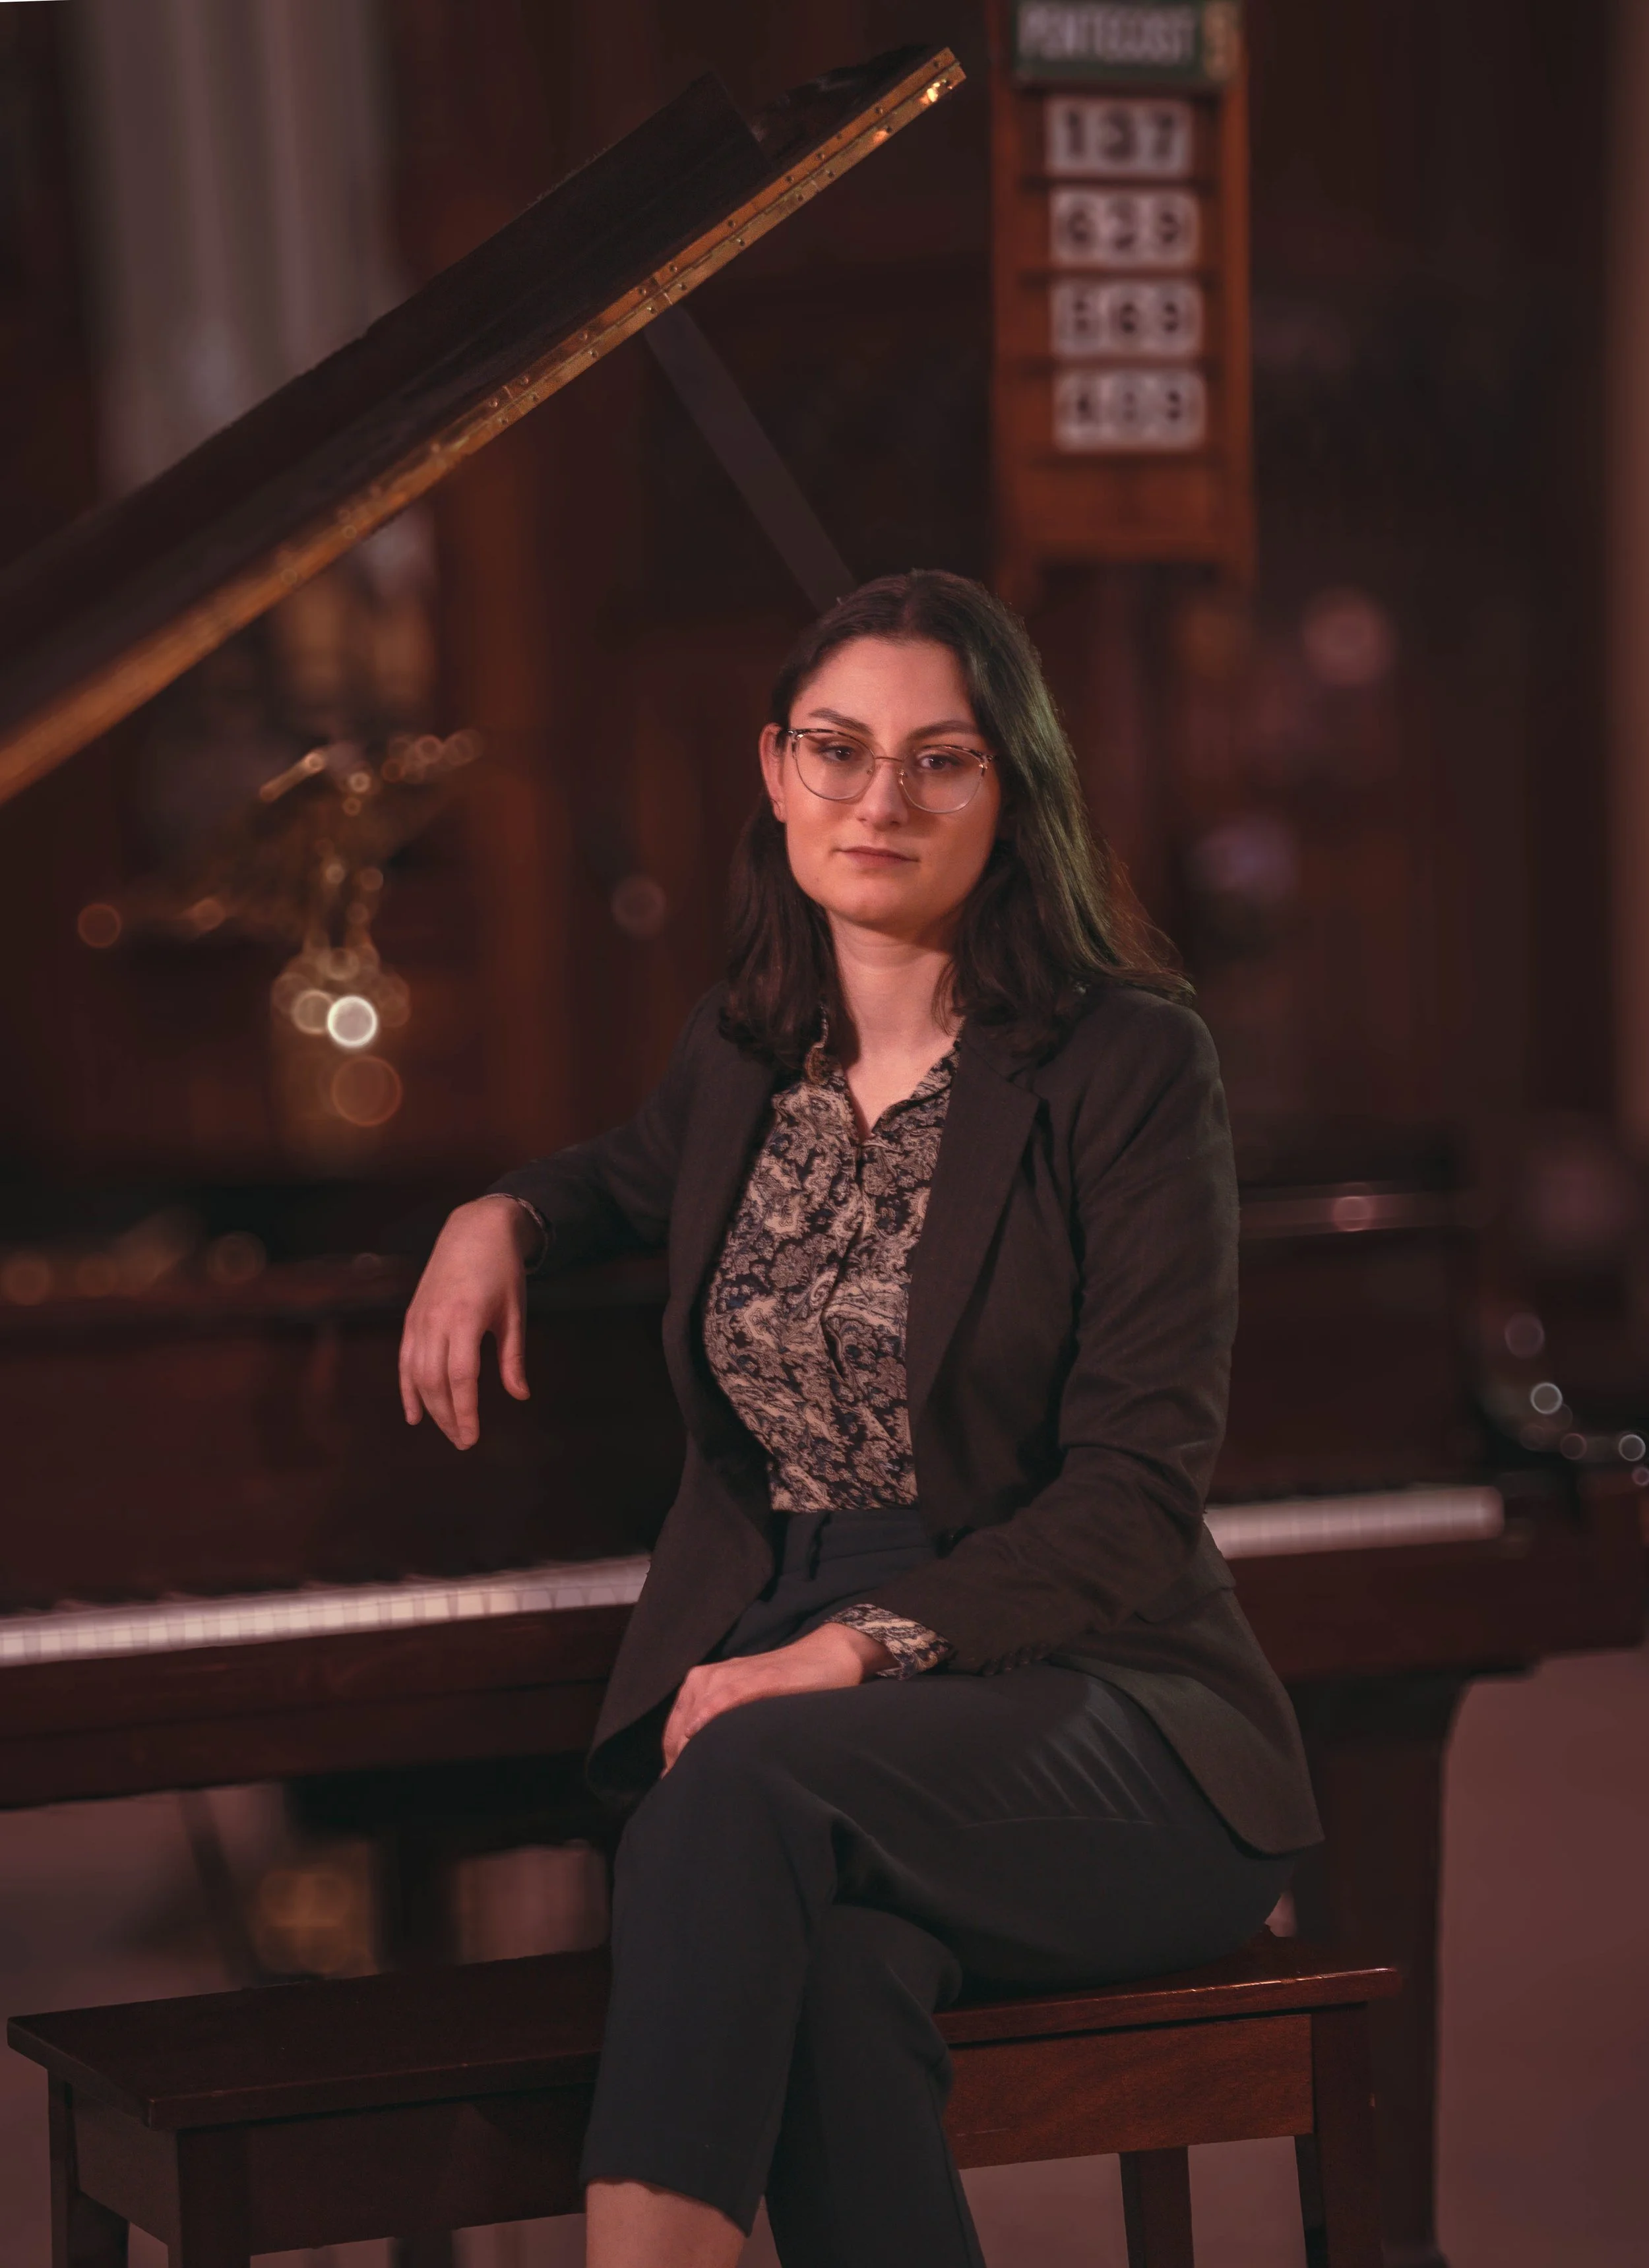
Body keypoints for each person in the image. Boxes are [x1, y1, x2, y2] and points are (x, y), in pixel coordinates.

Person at [399, 571, 1321, 2268]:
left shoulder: (1125, 1065)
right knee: (821, 1966)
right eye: (837, 750)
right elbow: (615, 1179)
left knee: (731, 1785)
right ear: (774, 771)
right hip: (810, 1712)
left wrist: (843, 1653)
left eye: (937, 760)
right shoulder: (743, 1057)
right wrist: (496, 1216)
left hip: (1109, 1705)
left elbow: (1134, 1495)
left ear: (1007, 791)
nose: (877, 799)